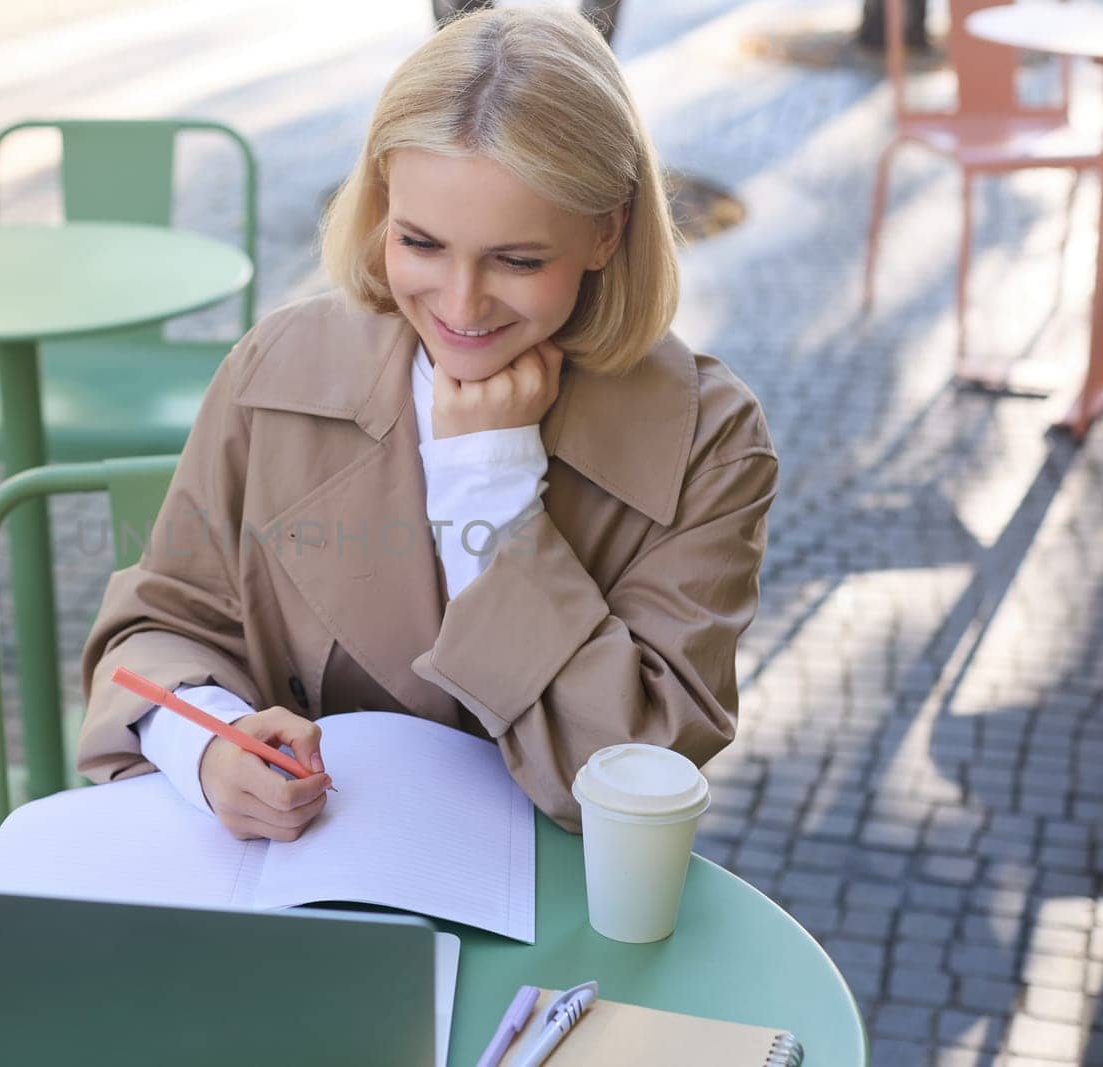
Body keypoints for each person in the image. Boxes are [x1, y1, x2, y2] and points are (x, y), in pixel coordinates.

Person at [76, 5, 777, 844]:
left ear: (606, 231)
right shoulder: (280, 369)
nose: (459, 305)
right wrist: (207, 748)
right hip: (292, 881)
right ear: (379, 210)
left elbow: (638, 763)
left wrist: (492, 483)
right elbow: (162, 626)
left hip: (563, 906)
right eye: (420, 243)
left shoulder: (707, 440)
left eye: (518, 260)